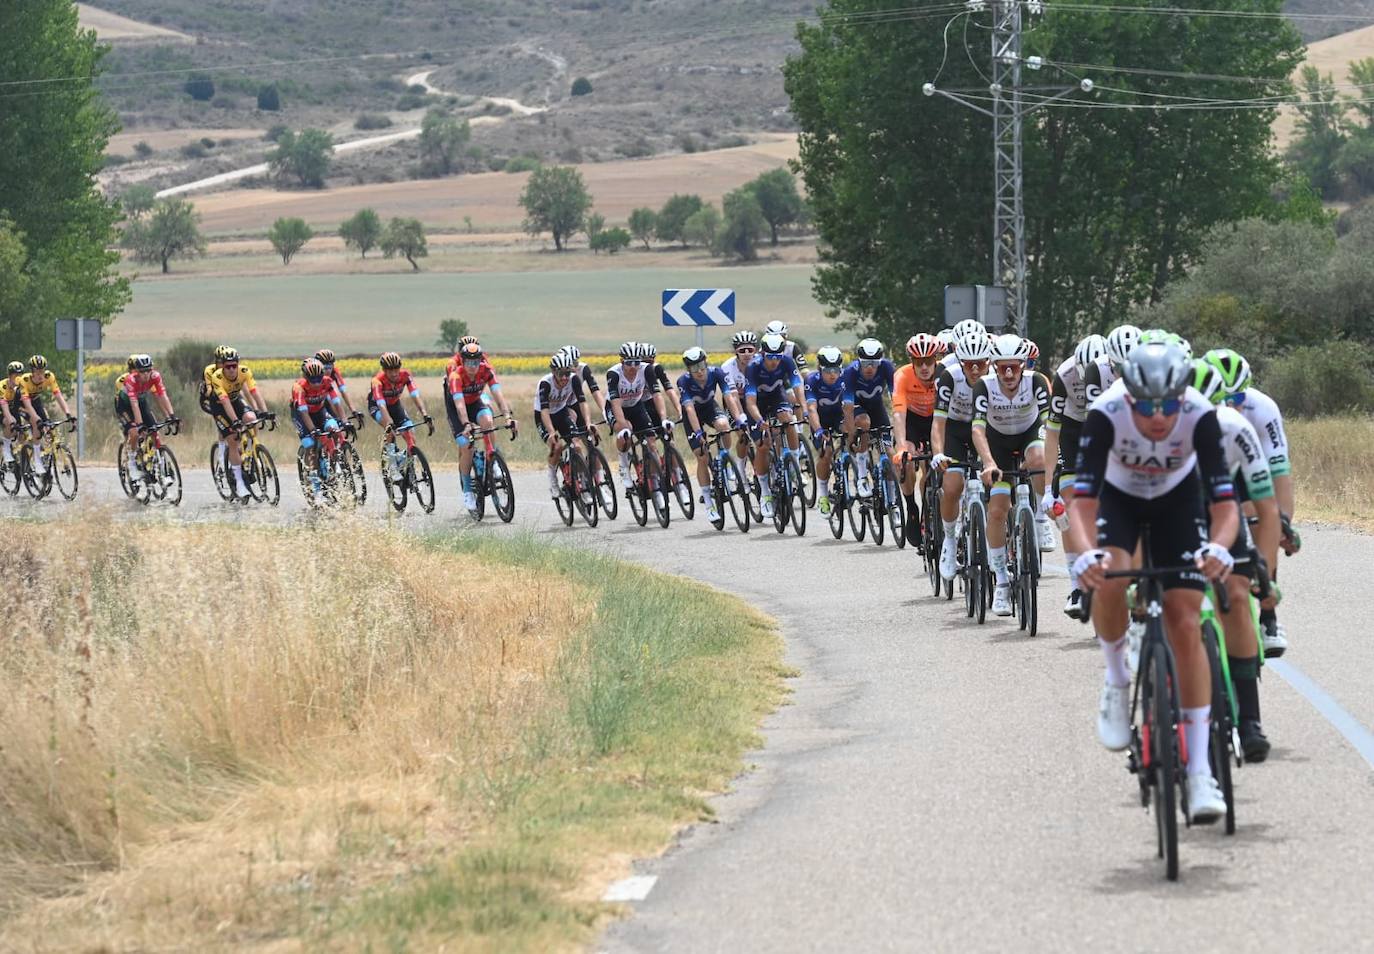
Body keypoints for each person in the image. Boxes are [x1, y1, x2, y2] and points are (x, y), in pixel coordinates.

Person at [1070, 340, 1237, 823]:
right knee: (1109, 576)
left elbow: (1223, 502)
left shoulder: (1200, 414)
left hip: (1178, 499)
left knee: (1186, 620)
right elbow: (1083, 500)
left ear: (1183, 396)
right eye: (1145, 405)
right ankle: (1118, 680)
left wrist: (1219, 547)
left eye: (1168, 404)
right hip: (1120, 499)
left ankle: (1201, 771)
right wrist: (1086, 553)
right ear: (1128, 397)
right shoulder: (1105, 414)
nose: (1159, 417)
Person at [1193, 360, 1277, 761]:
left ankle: (1250, 719)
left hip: (1222, 506)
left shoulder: (1236, 428)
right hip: (1171, 507)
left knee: (1237, 590)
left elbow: (1267, 507)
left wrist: (1266, 572)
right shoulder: (1152, 433)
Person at [1202, 348, 1293, 658]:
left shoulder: (1263, 409)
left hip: (1250, 467)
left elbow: (1280, 476)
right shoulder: (1193, 415)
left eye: (1237, 400)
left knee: (1263, 523)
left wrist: (1284, 526)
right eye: (1223, 399)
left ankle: (1268, 618)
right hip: (1210, 472)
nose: (1231, 406)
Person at [969, 334, 1051, 616]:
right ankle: (1002, 581)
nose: (1008, 373)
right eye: (1002, 366)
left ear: (1023, 365)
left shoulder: (1037, 382)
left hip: (1029, 435)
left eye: (1013, 366)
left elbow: (1050, 425)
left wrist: (1055, 458)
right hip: (998, 445)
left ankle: (1041, 517)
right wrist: (989, 462)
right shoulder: (984, 386)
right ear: (993, 366)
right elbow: (978, 429)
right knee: (997, 511)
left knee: (1040, 458)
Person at [1045, 334, 1107, 619]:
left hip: (1106, 427)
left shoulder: (1117, 370)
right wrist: (1048, 487)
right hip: (1071, 430)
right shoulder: (1064, 374)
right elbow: (1053, 433)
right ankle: (1076, 587)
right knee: (1070, 506)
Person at [932, 328, 992, 581]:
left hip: (987, 429)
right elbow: (938, 422)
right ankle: (949, 539)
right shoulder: (949, 377)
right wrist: (938, 454)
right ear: (960, 362)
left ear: (988, 362)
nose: (975, 370)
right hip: (956, 430)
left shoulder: (995, 379)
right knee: (952, 485)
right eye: (969, 365)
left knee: (997, 484)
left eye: (980, 364)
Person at [448, 342, 516, 512]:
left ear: (481, 360)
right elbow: (460, 405)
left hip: (475, 403)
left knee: (489, 422)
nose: (473, 366)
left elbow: (498, 395)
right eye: (469, 362)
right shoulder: (456, 376)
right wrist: (466, 424)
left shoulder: (486, 370)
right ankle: (467, 489)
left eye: (476, 361)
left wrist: (507, 416)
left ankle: (491, 459)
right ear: (462, 361)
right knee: (466, 446)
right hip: (458, 410)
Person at [743, 333, 803, 519]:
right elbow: (750, 401)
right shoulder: (753, 367)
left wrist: (804, 408)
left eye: (778, 356)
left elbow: (798, 386)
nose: (775, 361)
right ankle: (765, 492)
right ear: (763, 354)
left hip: (776, 397)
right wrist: (760, 421)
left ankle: (793, 462)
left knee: (788, 419)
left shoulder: (786, 361)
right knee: (763, 445)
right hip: (757, 404)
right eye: (771, 357)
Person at [678, 346, 741, 522]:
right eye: (693, 368)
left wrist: (739, 418)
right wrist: (698, 433)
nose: (699, 371)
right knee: (702, 456)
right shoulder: (684, 381)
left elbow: (729, 397)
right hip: (692, 415)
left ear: (706, 362)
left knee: (724, 425)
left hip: (709, 407)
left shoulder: (716, 372)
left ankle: (726, 460)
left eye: (701, 366)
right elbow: (689, 409)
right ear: (688, 369)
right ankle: (708, 502)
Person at [893, 333, 945, 547]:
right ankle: (911, 507)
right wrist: (901, 447)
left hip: (936, 418)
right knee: (906, 459)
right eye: (918, 362)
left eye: (929, 362)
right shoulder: (902, 375)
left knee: (934, 465)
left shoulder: (945, 373)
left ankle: (929, 508)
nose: (924, 367)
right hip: (912, 420)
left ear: (936, 360)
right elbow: (898, 414)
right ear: (911, 362)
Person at [206, 346, 269, 498]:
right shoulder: (217, 377)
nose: (232, 369)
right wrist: (235, 421)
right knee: (233, 440)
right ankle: (239, 483)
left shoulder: (244, 371)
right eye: (228, 366)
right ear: (223, 366)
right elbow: (225, 402)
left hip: (235, 401)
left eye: (234, 365)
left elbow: (254, 392)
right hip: (220, 407)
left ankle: (252, 451)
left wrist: (264, 411)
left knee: (252, 419)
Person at [606, 341, 668, 488]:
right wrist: (623, 427)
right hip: (616, 407)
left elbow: (657, 395)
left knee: (651, 441)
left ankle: (654, 483)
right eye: (629, 363)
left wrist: (664, 419)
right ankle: (623, 466)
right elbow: (615, 403)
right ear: (622, 361)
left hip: (636, 405)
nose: (633, 366)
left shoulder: (647, 369)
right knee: (625, 432)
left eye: (636, 362)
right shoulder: (613, 374)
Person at [841, 338, 895, 498]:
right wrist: (851, 436)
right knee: (864, 423)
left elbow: (896, 399)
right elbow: (848, 409)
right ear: (859, 361)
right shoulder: (850, 372)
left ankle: (892, 499)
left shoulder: (886, 367)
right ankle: (862, 476)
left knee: (890, 452)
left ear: (881, 361)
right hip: (856, 407)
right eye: (865, 364)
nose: (870, 368)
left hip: (876, 406)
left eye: (874, 363)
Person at [534, 351, 591, 500]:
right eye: (561, 374)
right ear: (553, 372)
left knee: (577, 445)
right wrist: (552, 432)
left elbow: (583, 402)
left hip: (561, 412)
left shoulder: (574, 380)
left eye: (567, 373)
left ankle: (582, 484)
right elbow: (544, 411)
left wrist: (588, 423)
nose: (565, 378)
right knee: (557, 446)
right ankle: (552, 479)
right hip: (544, 416)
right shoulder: (545, 383)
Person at [370, 352, 433, 480]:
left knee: (411, 434)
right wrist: (389, 422)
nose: (394, 373)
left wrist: (425, 414)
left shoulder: (405, 376)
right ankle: (392, 465)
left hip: (395, 405)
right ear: (384, 370)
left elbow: (415, 395)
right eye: (390, 370)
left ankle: (407, 463)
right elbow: (381, 405)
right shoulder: (377, 381)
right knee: (390, 430)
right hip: (377, 407)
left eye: (396, 369)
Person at [117, 354, 178, 483]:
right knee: (134, 432)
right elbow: (134, 404)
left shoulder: (155, 376)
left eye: (148, 370)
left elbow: (162, 395)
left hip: (141, 403)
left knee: (154, 431)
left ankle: (162, 470)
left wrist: (171, 416)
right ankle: (132, 464)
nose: (146, 374)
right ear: (137, 372)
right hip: (124, 406)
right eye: (142, 371)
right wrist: (139, 425)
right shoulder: (130, 380)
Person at [803, 346, 848, 516]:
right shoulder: (812, 380)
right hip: (820, 419)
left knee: (852, 435)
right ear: (819, 369)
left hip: (839, 416)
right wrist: (819, 430)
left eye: (836, 370)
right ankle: (822, 494)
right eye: (828, 370)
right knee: (826, 452)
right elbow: (812, 409)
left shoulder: (845, 379)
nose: (832, 374)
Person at [14, 355, 74, 475]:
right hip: (21, 404)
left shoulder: (49, 377)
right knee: (36, 424)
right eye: (38, 372)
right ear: (32, 372)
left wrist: (68, 413)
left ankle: (46, 452)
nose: (41, 374)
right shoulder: (24, 380)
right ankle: (37, 460)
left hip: (35, 401)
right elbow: (27, 405)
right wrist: (36, 419)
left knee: (49, 427)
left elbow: (58, 396)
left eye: (42, 370)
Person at [292, 358, 345, 488]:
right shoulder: (299, 387)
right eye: (312, 379)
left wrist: (344, 420)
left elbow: (336, 402)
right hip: (301, 415)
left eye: (318, 378)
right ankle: (314, 486)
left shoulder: (327, 381)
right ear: (306, 377)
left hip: (319, 412)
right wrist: (313, 430)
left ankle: (333, 468)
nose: (316, 383)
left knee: (334, 429)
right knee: (310, 446)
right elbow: (303, 412)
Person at [1084, 323, 1139, 404]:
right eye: (1119, 368)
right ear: (1109, 361)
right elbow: (1092, 411)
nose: (1125, 375)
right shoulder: (1095, 369)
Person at [314, 349, 362, 422]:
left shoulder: (335, 372)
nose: (328, 371)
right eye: (325, 368)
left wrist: (353, 410)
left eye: (330, 367)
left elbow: (343, 392)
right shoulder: (314, 375)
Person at [0, 361, 24, 469]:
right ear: (9, 376)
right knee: (10, 422)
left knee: (22, 431)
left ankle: (21, 457)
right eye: (15, 375)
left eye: (20, 375)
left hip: (13, 411)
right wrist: (11, 420)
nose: (18, 378)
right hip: (2, 410)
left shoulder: (21, 387)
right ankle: (5, 448)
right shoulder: (2, 386)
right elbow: (4, 407)